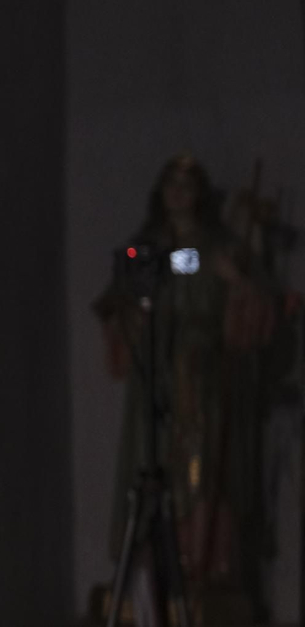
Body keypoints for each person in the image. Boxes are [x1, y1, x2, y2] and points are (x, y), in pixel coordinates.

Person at [93, 154, 284, 622]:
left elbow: (252, 305)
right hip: (159, 386)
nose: (178, 194)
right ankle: (151, 582)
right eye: (171, 184)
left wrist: (236, 280)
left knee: (203, 479)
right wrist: (131, 310)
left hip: (202, 385)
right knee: (156, 469)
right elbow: (121, 300)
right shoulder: (151, 249)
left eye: (187, 185)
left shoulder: (217, 248)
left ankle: (204, 571)